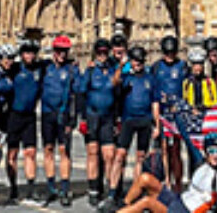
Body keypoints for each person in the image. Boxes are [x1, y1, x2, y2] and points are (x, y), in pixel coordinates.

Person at [118, 132, 217, 213]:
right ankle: (124, 206)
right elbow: (187, 139)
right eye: (212, 151)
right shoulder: (200, 163)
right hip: (178, 200)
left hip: (185, 211)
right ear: (206, 152)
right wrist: (176, 113)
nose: (215, 155)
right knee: (145, 178)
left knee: (147, 202)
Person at [0, 39, 44, 203]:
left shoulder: (39, 69)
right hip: (13, 116)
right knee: (12, 153)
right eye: (26, 52)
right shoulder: (14, 69)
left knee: (30, 152)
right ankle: (13, 189)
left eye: (32, 53)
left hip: (29, 116)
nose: (30, 56)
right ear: (21, 54)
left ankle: (31, 189)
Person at [109, 45, 156, 207]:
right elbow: (114, 83)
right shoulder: (126, 77)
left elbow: (155, 102)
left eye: (140, 61)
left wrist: (156, 124)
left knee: (140, 157)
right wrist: (121, 66)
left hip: (145, 121)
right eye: (135, 61)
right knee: (119, 155)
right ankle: (112, 192)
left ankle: (134, 192)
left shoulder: (150, 78)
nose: (137, 64)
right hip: (128, 120)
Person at [79, 37, 120, 206]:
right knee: (93, 153)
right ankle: (93, 189)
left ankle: (110, 190)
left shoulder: (113, 69)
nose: (102, 55)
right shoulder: (90, 71)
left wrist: (118, 119)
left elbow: (118, 94)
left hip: (108, 117)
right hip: (92, 116)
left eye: (105, 52)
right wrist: (82, 118)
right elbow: (81, 92)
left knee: (109, 155)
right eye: (99, 52)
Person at [41, 35, 79, 206]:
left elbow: (78, 92)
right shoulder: (45, 68)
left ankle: (64, 188)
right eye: (59, 51)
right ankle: (50, 188)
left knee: (64, 151)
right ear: (53, 51)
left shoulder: (72, 70)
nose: (62, 54)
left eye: (65, 51)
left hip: (63, 115)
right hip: (47, 114)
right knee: (48, 149)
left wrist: (74, 119)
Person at [152, 35, 189, 192]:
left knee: (176, 150)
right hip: (162, 111)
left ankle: (178, 183)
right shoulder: (156, 67)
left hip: (177, 111)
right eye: (167, 53)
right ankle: (166, 180)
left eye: (172, 53)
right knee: (164, 148)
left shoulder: (182, 66)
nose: (169, 56)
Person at [182, 47, 217, 114]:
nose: (197, 68)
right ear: (192, 66)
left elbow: (215, 102)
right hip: (191, 114)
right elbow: (185, 101)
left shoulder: (210, 82)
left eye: (200, 64)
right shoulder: (187, 83)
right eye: (195, 65)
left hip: (207, 113)